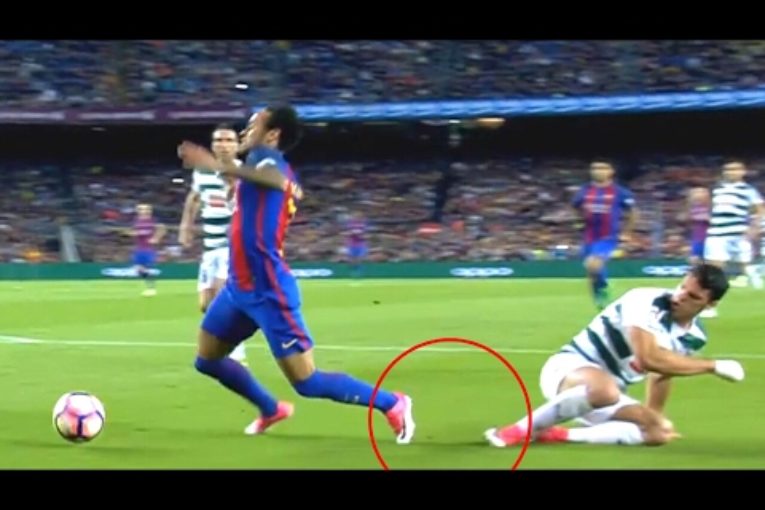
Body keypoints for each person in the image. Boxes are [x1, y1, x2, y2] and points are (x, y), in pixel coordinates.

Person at [177, 104, 415, 443]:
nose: (245, 130)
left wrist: (219, 165)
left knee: (308, 383)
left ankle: (393, 403)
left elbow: (277, 180)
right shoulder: (254, 166)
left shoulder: (269, 162)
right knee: (207, 360)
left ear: (272, 135)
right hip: (238, 288)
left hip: (269, 291)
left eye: (254, 125)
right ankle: (270, 408)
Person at [485, 264, 745, 448]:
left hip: (606, 394)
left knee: (658, 432)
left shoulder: (695, 336)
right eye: (681, 287)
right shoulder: (646, 301)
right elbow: (648, 359)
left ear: (710, 305)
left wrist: (653, 414)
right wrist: (712, 366)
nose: (679, 297)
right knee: (605, 390)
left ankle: (557, 434)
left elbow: (662, 373)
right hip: (568, 370)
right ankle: (517, 431)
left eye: (692, 296)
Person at [179, 124, 246, 364]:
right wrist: (186, 225)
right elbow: (194, 197)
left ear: (237, 146)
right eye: (219, 140)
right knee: (206, 305)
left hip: (232, 245)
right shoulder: (201, 172)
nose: (223, 145)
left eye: (229, 140)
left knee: (221, 295)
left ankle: (236, 352)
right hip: (210, 246)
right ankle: (230, 340)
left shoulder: (244, 171)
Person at [572, 160, 637, 310]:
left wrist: (627, 232)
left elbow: (633, 213)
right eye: (595, 168)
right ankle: (599, 297)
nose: (598, 171)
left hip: (608, 237)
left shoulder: (619, 192)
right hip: (588, 237)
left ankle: (605, 288)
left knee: (593, 264)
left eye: (603, 168)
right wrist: (578, 221)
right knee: (592, 270)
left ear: (611, 171)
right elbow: (575, 206)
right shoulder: (584, 190)